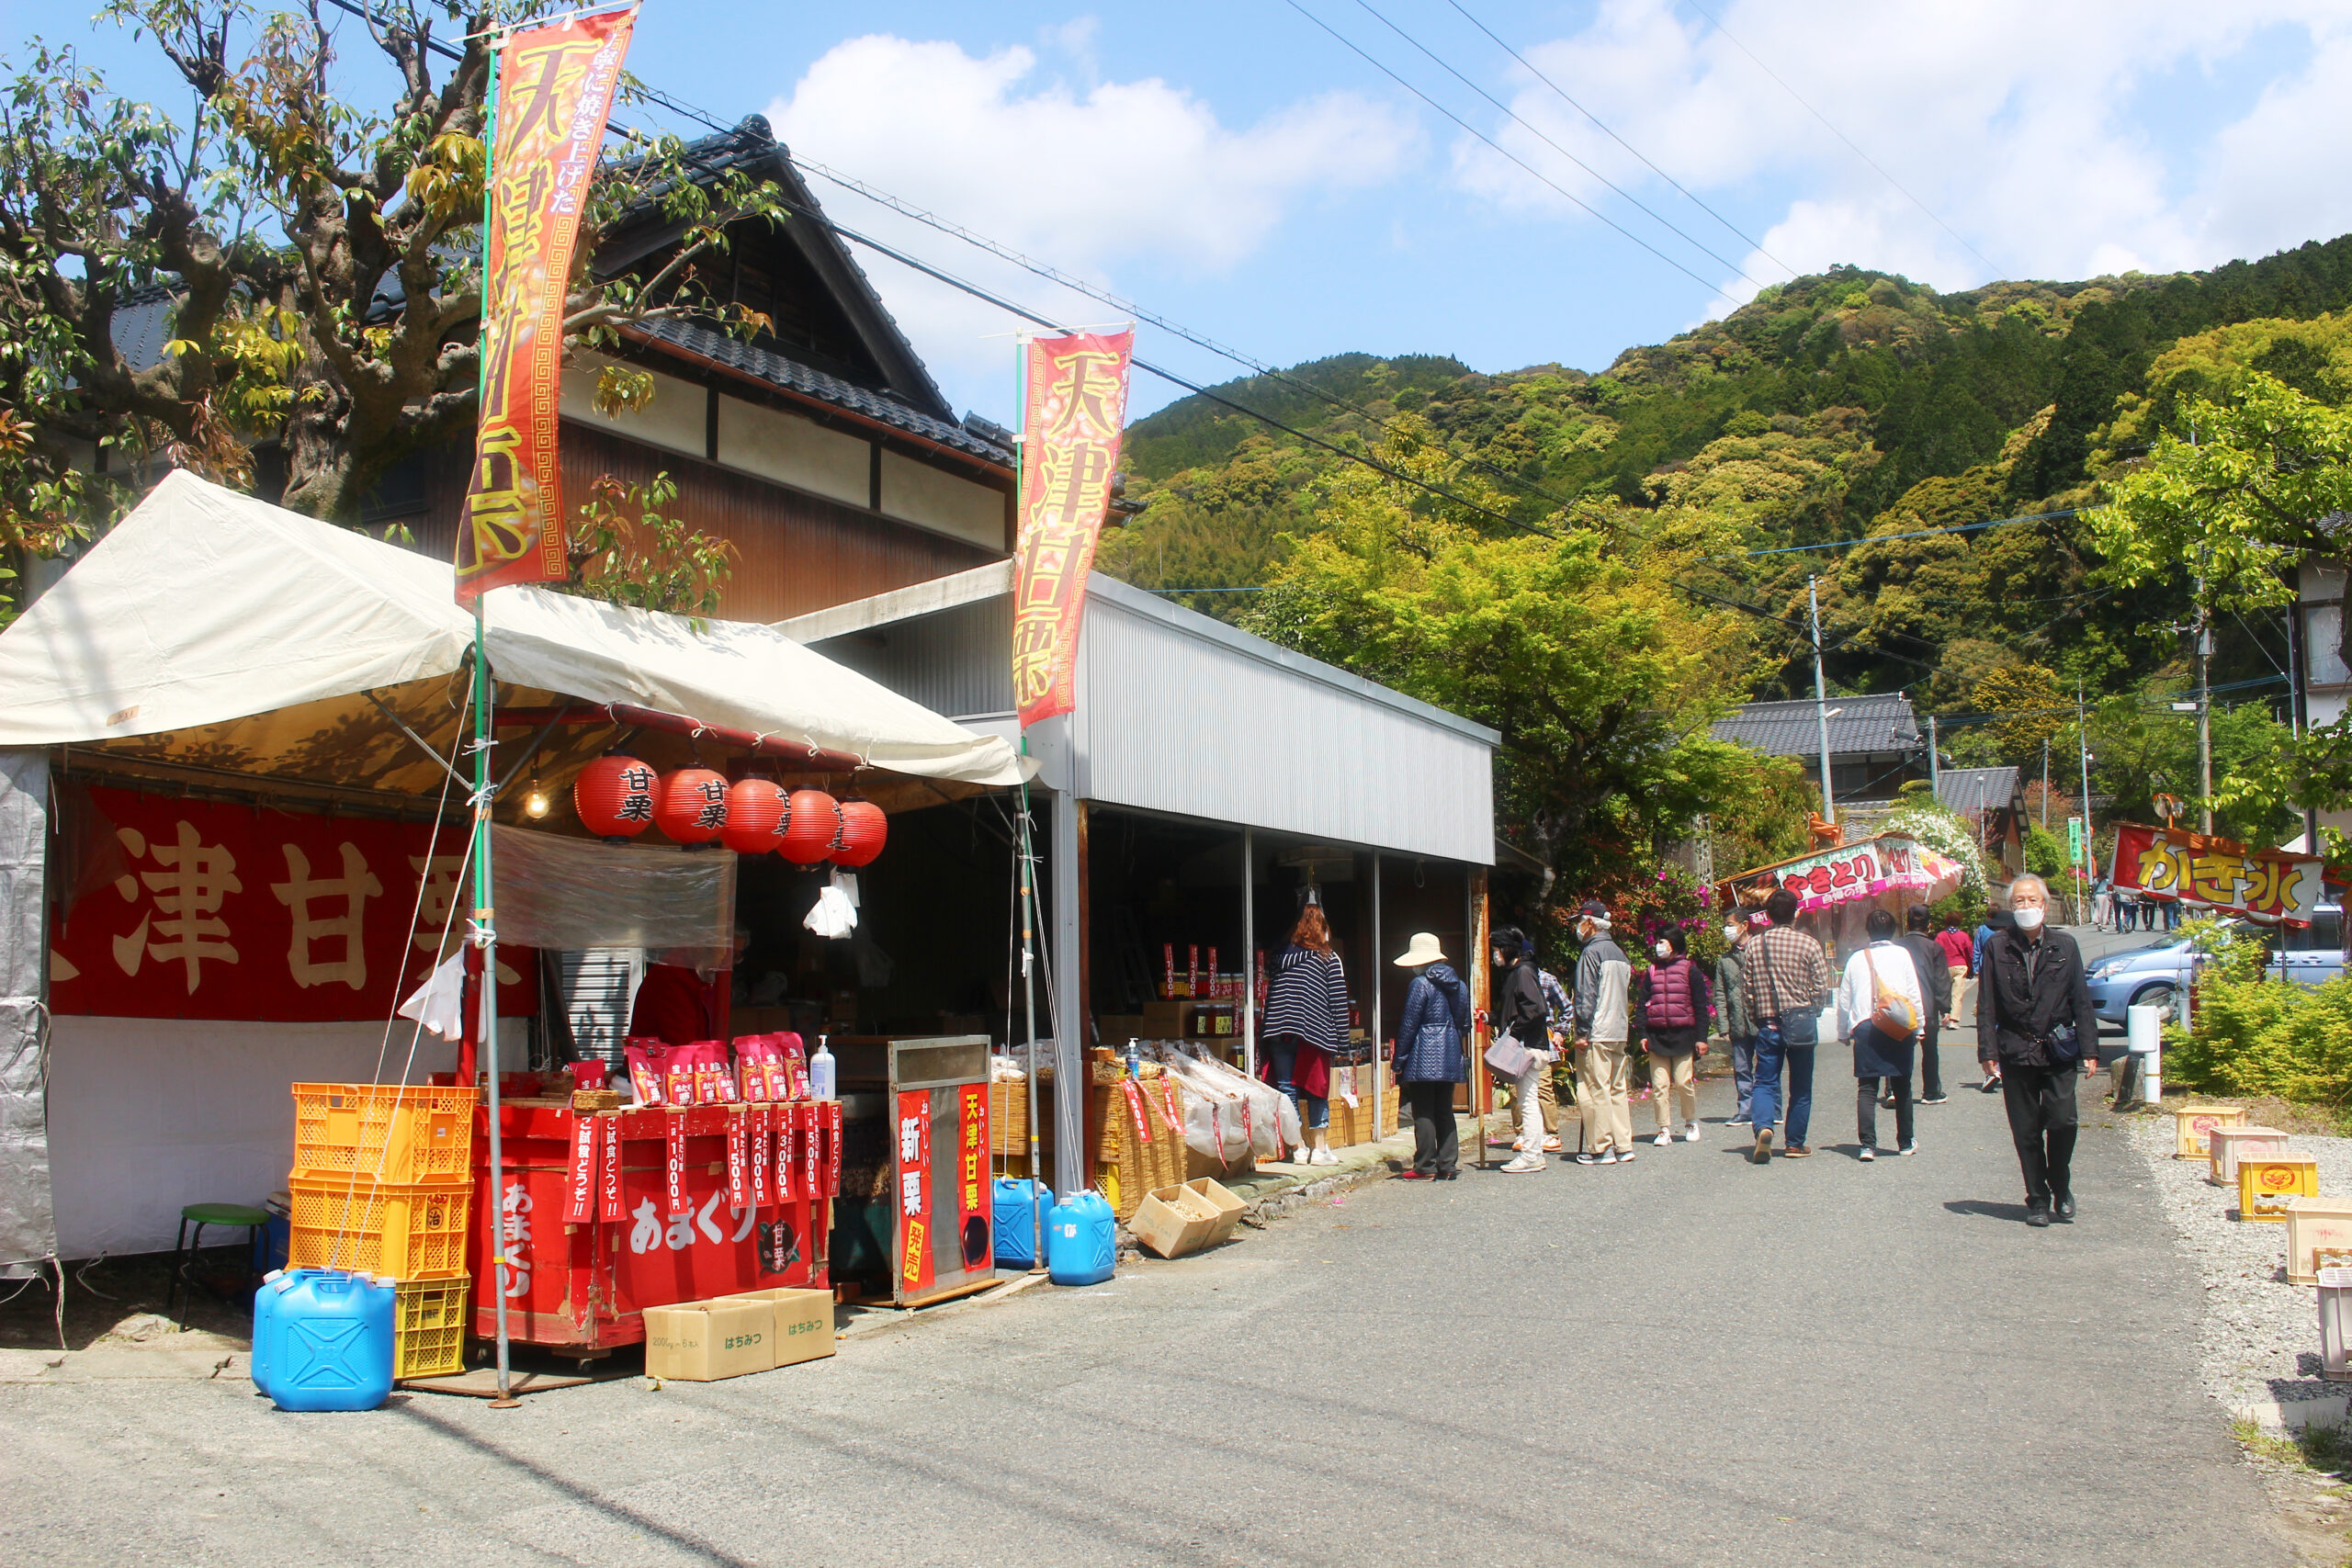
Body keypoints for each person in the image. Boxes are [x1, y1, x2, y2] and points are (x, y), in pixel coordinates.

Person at [1976, 873, 2099, 1226]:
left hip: (2057, 1048)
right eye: (2019, 901)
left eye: (2032, 900)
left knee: (2063, 1120)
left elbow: (2080, 999)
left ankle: (2060, 1181)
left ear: (2044, 906)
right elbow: (1987, 1003)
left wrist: (2090, 1048)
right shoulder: (1997, 946)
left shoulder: (2065, 946)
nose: (2026, 906)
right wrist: (1987, 1051)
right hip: (2015, 1049)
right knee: (2026, 1130)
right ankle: (2038, 1199)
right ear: (2011, 907)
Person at [1738, 887, 1833, 1163]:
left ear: (1767, 915)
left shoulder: (1755, 945)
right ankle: (1795, 1143)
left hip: (1768, 1025)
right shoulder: (1809, 944)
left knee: (1765, 1082)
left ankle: (1764, 1128)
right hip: (1801, 1023)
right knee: (1801, 1086)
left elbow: (1747, 989)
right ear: (1796, 913)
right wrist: (1813, 1010)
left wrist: (1756, 1015)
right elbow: (1821, 987)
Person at [1259, 905, 1351, 1166]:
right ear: (1323, 930)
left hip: (1278, 1028)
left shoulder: (1280, 958)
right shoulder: (1328, 958)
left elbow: (1272, 993)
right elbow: (1338, 1002)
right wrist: (1343, 1043)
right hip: (1313, 1030)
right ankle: (1319, 1150)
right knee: (1316, 1088)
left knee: (1286, 1087)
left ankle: (1298, 1147)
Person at [1839, 908, 1925, 1159]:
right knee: (1902, 1085)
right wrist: (1919, 1026)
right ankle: (1905, 1142)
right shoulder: (1902, 954)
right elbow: (1913, 993)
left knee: (1867, 1087)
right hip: (1898, 1024)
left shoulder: (1857, 958)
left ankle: (1867, 1145)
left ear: (1868, 931)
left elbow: (1845, 998)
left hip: (1866, 1025)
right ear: (1893, 930)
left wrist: (1843, 1030)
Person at [1390, 932, 1469, 1180]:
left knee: (1423, 1110)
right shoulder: (1460, 985)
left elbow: (1409, 1024)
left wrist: (1399, 1060)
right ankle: (1448, 1164)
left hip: (1423, 1053)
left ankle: (1425, 1165)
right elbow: (1464, 1023)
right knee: (1445, 1109)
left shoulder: (1420, 984)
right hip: (1450, 1051)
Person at [1570, 900, 1636, 1166]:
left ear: (1590, 923)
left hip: (1597, 1031)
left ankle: (1601, 1147)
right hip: (1619, 1030)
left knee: (1595, 1089)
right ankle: (1624, 1145)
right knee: (1617, 1088)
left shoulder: (1591, 953)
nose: (1577, 927)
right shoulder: (1620, 953)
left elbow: (1585, 995)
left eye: (1580, 921)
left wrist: (1581, 1032)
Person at [1635, 929, 1711, 1145]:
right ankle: (1663, 1129)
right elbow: (1642, 1005)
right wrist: (1643, 1034)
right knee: (1659, 1086)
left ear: (1674, 944)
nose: (1658, 946)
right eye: (1658, 941)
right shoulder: (1652, 971)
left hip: (1683, 1036)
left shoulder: (1690, 971)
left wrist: (1701, 1038)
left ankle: (1691, 1122)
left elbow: (1701, 1006)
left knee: (1683, 1082)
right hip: (1657, 1037)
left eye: (1663, 941)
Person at [1491, 926, 1553, 1174]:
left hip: (1528, 1046)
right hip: (1530, 1044)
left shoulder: (1523, 972)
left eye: (1497, 949)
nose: (1495, 954)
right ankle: (1533, 1153)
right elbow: (1518, 1010)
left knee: (1527, 1102)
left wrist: (1514, 1033)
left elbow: (1536, 1009)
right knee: (1528, 1100)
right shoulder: (1520, 971)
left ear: (1507, 949)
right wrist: (1491, 1018)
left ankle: (1531, 1155)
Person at [628, 925, 749, 1044]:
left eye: (736, 956)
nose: (728, 963)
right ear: (705, 945)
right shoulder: (674, 974)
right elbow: (682, 1043)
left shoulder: (697, 978)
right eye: (727, 953)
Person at [1895, 905, 1955, 1104]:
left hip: (1900, 1007)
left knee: (1897, 1049)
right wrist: (1945, 1008)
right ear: (1929, 925)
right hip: (1927, 1006)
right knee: (1930, 1050)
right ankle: (1931, 1091)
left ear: (1907, 923)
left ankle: (1893, 1090)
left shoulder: (1896, 946)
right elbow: (1941, 980)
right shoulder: (1934, 948)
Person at [1717, 912, 1759, 1126]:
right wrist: (1723, 1025)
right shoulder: (1724, 960)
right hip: (1737, 1022)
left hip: (1761, 1020)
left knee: (1766, 1067)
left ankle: (1771, 1109)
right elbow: (1720, 993)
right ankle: (1745, 1109)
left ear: (1744, 925)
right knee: (1741, 1068)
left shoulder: (1760, 951)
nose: (1727, 930)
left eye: (1730, 924)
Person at [1974, 907, 2016, 1093]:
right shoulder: (2016, 943)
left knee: (1994, 1027)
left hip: (1991, 984)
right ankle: (2001, 1069)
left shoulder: (1986, 935)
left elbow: (1977, 950)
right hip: (2007, 993)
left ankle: (1995, 1069)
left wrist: (1976, 967)